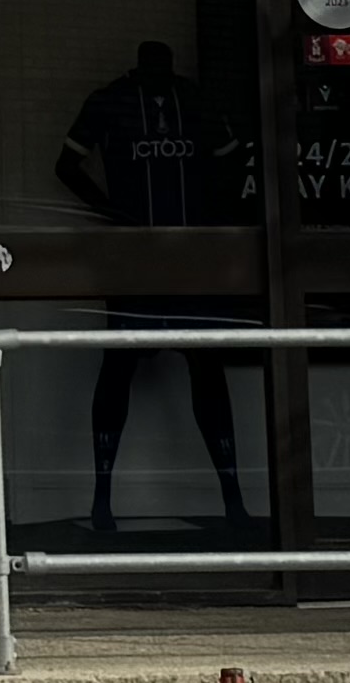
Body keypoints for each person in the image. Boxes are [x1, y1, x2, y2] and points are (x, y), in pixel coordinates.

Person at [56, 38, 248, 534]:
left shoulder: (196, 99)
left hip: (190, 260)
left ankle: (234, 501)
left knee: (207, 367)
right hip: (135, 260)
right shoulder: (110, 101)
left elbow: (234, 162)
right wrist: (112, 213)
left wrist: (212, 222)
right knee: (118, 366)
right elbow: (66, 165)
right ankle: (102, 501)